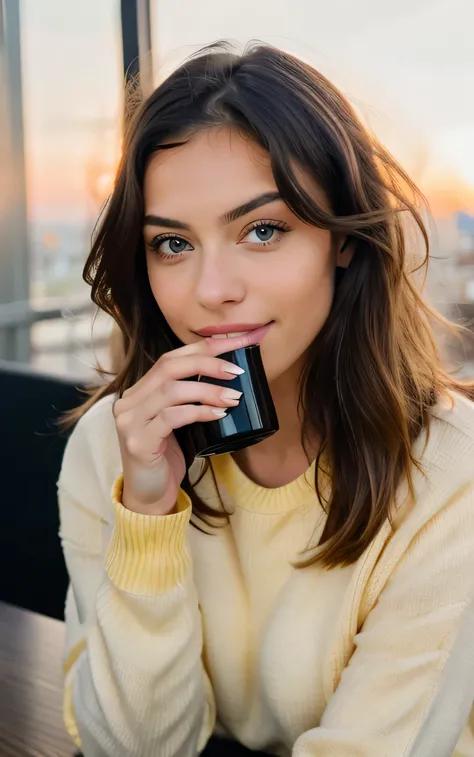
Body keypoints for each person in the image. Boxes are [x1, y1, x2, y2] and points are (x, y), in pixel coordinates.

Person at [57, 41, 474, 757]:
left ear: (341, 241)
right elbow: (131, 746)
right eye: (173, 245)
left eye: (263, 230)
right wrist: (148, 515)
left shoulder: (450, 475)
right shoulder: (117, 450)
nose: (212, 289)